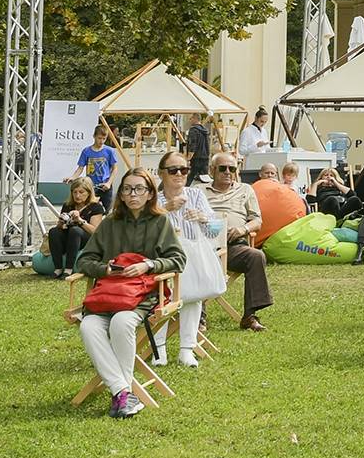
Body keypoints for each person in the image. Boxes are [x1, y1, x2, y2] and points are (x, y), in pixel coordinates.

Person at [75, 167, 184, 417]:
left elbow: (178, 260)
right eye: (127, 189)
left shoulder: (160, 221)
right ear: (121, 195)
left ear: (149, 194)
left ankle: (121, 393)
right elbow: (85, 260)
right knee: (88, 326)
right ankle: (123, 391)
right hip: (108, 295)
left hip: (143, 296)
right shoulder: (110, 223)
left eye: (139, 189)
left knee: (122, 323)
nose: (132, 194)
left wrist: (149, 265)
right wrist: (106, 269)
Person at [157, 153, 222, 366]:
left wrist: (203, 218)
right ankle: (159, 348)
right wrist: (166, 209)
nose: (179, 174)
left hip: (192, 256)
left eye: (183, 170)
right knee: (162, 296)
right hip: (161, 256)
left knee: (193, 296)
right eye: (173, 170)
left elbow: (214, 232)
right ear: (161, 173)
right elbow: (140, 226)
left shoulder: (196, 195)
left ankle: (187, 349)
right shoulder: (153, 200)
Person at [203, 151, 273, 331]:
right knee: (195, 259)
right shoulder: (199, 190)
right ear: (212, 170)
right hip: (205, 246)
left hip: (235, 245)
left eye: (232, 168)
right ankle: (198, 317)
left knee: (256, 256)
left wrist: (243, 229)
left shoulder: (246, 190)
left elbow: (257, 220)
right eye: (222, 168)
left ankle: (250, 316)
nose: (227, 172)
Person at [46, 176, 105, 279]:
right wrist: (60, 223)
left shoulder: (96, 207)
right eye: (75, 192)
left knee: (75, 230)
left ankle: (69, 269)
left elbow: (95, 231)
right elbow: (61, 227)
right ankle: (58, 268)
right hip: (69, 237)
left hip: (85, 238)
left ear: (88, 193)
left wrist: (80, 221)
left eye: (81, 192)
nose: (78, 196)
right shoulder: (68, 205)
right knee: (53, 231)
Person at [75, 122, 122, 202]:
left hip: (105, 185)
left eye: (104, 139)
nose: (102, 141)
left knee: (106, 210)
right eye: (99, 138)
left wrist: (109, 183)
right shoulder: (86, 151)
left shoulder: (109, 151)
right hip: (91, 186)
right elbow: (80, 168)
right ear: (94, 136)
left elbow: (114, 168)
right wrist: (73, 177)